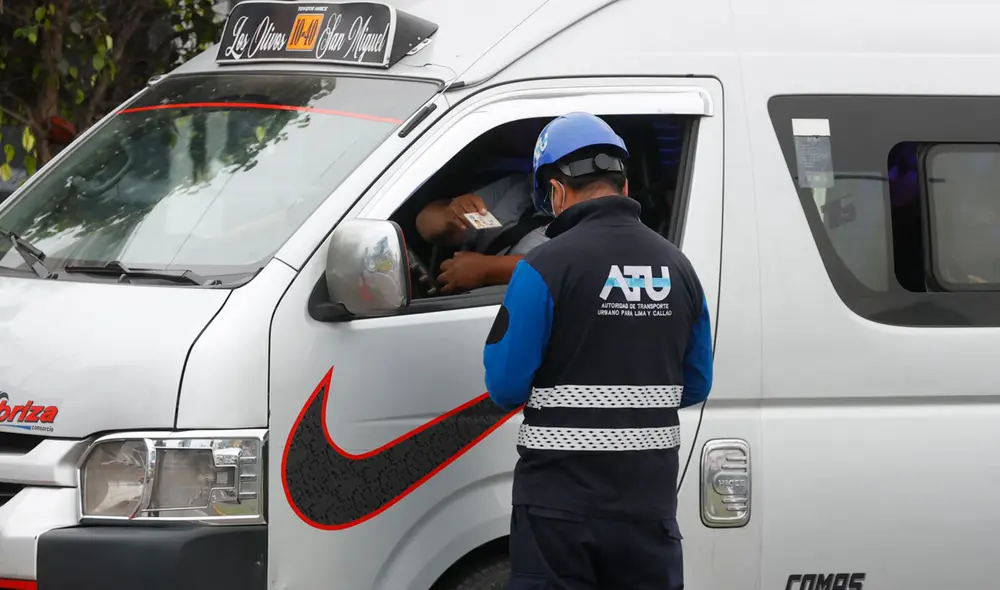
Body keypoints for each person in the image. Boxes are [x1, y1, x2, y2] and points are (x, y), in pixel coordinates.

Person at [482, 112, 714, 590]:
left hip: (557, 513)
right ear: (624, 185)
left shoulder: (543, 265)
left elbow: (505, 386)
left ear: (557, 190)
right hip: (648, 510)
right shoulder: (679, 267)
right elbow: (696, 383)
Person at [415, 120, 552, 293]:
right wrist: (450, 216)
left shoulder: (588, 215)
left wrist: (487, 270)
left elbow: (577, 262)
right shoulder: (517, 188)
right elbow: (425, 224)